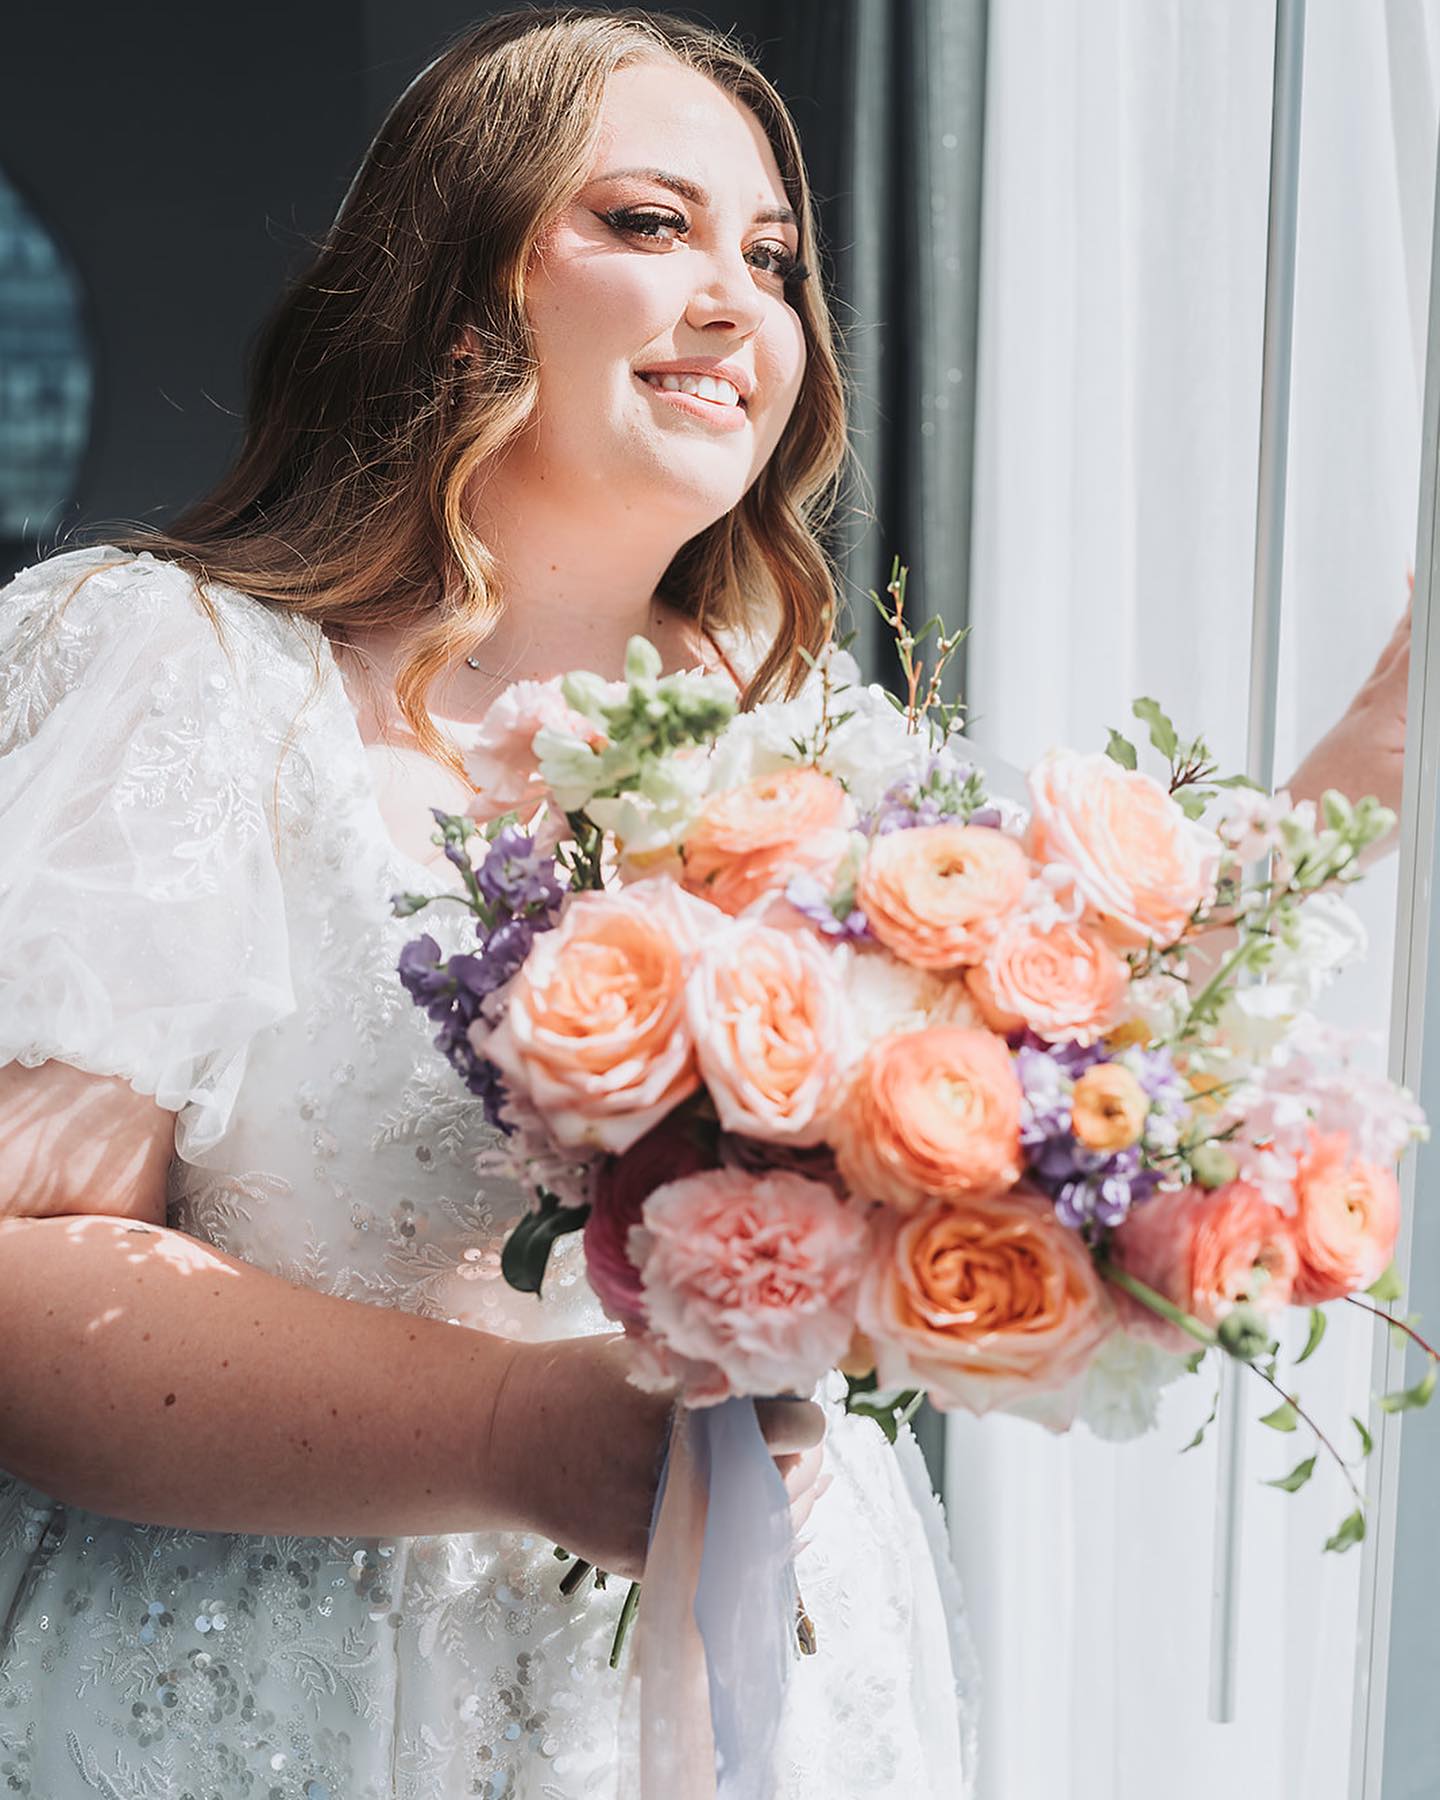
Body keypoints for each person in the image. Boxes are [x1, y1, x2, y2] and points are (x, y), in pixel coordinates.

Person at [0, 10, 982, 1797]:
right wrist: (520, 1433)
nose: (738, 298)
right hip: (298, 1712)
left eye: (771, 257)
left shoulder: (841, 753)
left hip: (766, 1697)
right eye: (646, 222)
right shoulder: (194, 680)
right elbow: (21, 1275)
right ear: (459, 292)